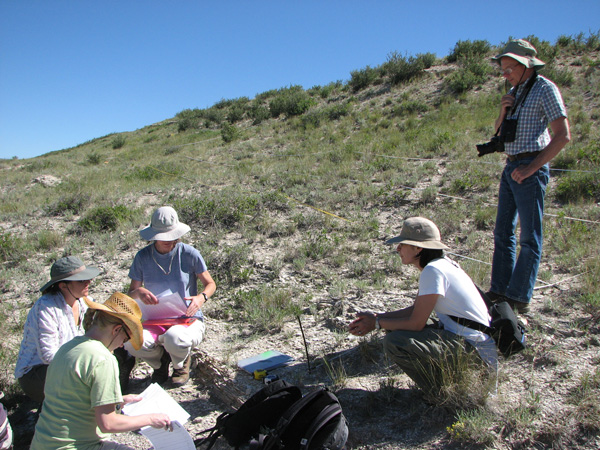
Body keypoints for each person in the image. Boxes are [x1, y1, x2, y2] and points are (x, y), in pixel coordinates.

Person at [348, 217, 498, 395]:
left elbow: (416, 323)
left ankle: (444, 393)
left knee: (395, 342)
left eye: (402, 244)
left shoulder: (433, 271)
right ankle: (452, 383)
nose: (398, 249)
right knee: (396, 329)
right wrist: (379, 318)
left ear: (418, 248)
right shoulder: (444, 265)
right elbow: (414, 310)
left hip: (475, 351)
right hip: (479, 348)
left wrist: (377, 323)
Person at [487, 39, 570, 313]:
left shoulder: (545, 88)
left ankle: (518, 298)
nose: (505, 74)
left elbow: (563, 136)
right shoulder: (514, 92)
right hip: (510, 166)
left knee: (529, 237)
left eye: (510, 68)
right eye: (503, 69)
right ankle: (499, 291)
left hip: (528, 168)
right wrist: (503, 110)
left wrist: (532, 168)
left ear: (526, 64)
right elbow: (499, 132)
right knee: (502, 232)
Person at [30, 292, 171, 450]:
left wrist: (117, 402)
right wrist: (151, 419)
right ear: (116, 329)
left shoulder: (67, 348)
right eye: (125, 339)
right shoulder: (103, 359)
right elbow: (108, 424)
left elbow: (74, 401)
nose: (121, 346)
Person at [125, 206, 216, 386]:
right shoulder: (142, 257)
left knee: (176, 337)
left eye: (171, 236)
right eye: (162, 237)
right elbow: (131, 293)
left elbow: (210, 284)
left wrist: (200, 298)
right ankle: (159, 364)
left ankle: (180, 365)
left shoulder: (189, 253)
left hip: (187, 318)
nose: (168, 241)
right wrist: (140, 292)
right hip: (155, 319)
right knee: (131, 342)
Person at [14, 256, 100, 404]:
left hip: (68, 364)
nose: (88, 282)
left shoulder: (85, 302)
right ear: (63, 286)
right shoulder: (46, 308)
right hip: (38, 373)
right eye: (81, 280)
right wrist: (84, 361)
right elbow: (48, 356)